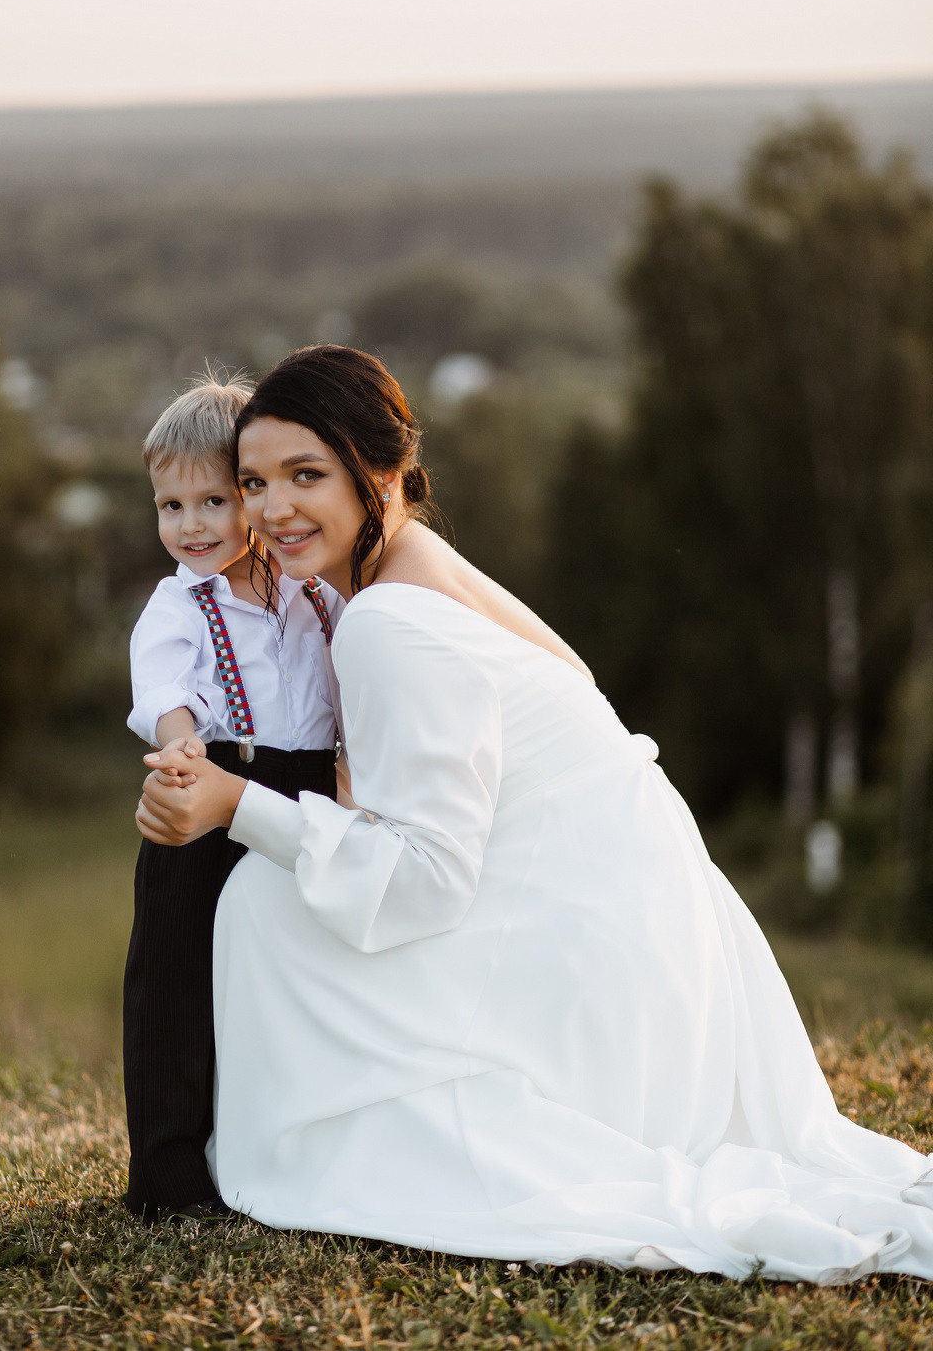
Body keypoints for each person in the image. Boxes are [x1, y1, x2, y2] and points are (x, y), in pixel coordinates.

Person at [137, 346, 933, 1280]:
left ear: (380, 472)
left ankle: (298, 1143)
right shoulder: (418, 554)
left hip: (597, 982)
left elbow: (428, 884)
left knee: (260, 909)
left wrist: (241, 805)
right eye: (255, 482)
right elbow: (574, 678)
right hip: (657, 925)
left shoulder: (382, 622)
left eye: (305, 476)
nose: (272, 511)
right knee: (293, 890)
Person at [123, 371, 341, 1222]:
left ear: (253, 497)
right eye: (169, 507)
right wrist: (182, 752)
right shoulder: (179, 605)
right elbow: (165, 691)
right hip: (208, 781)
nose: (190, 526)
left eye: (213, 501)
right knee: (176, 972)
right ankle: (169, 1173)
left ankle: (276, 1148)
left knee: (286, 972)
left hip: (311, 793)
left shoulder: (312, 592)